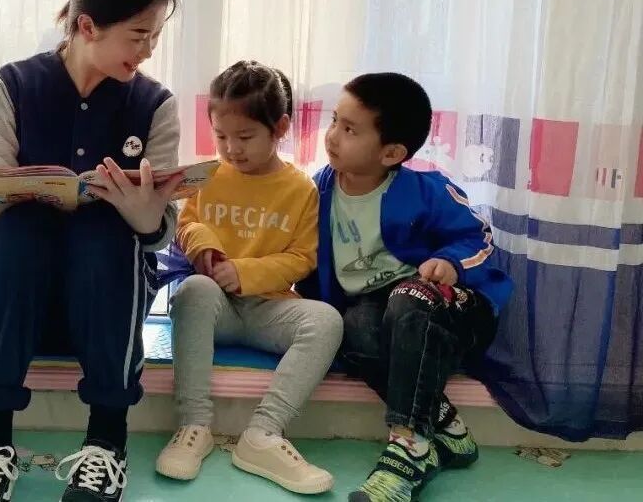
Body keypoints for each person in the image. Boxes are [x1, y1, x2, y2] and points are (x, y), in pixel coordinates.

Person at [0, 0, 183, 502]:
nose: (148, 50)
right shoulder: (10, 86)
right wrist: (18, 195)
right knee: (16, 232)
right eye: (138, 35)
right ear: (87, 26)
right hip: (17, 290)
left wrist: (137, 207)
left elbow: (159, 233)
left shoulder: (155, 104)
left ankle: (107, 443)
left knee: (104, 233)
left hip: (105, 294)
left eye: (155, 36)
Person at [297, 72, 513, 502]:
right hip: (376, 311)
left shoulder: (426, 189)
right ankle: (448, 429)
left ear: (392, 153)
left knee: (407, 296)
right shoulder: (318, 191)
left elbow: (479, 238)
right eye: (335, 120)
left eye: (350, 129)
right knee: (351, 325)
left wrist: (450, 263)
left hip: (447, 309)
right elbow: (303, 254)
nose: (333, 135)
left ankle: (409, 447)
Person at [156, 60, 341, 495]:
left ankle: (263, 435)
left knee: (327, 321)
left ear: (280, 128)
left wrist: (245, 272)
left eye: (244, 137)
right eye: (221, 136)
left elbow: (302, 258)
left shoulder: (300, 189)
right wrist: (201, 243)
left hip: (267, 309)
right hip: (214, 308)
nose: (231, 149)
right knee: (193, 289)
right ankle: (194, 426)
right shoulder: (209, 175)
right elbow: (186, 223)